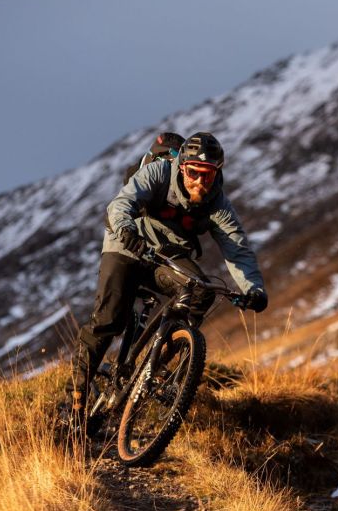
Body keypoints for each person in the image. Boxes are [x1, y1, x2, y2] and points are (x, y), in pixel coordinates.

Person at [63, 131, 268, 429]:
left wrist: (254, 289)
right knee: (108, 320)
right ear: (182, 167)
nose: (200, 181)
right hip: (126, 245)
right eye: (194, 173)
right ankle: (74, 402)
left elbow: (237, 249)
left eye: (208, 175)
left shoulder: (218, 204)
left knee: (200, 292)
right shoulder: (158, 173)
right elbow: (121, 203)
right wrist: (126, 231)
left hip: (168, 254)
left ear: (217, 173)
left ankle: (155, 368)